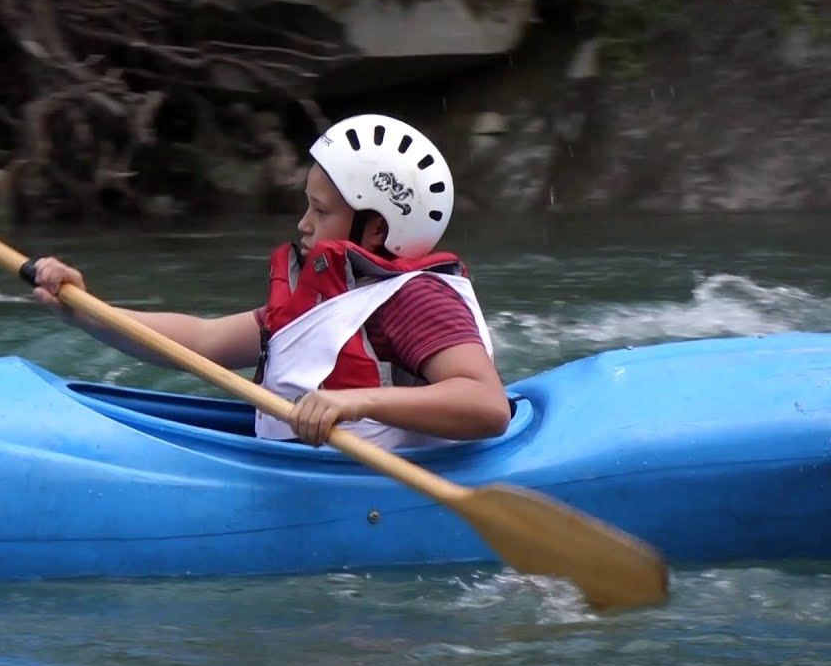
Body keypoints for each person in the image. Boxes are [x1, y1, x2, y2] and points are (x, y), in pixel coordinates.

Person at [30, 114, 510, 449]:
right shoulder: (327, 296)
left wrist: (356, 401)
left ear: (378, 229)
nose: (303, 224)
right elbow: (203, 340)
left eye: (320, 212)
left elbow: (487, 405)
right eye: (309, 205)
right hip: (302, 467)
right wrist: (85, 311)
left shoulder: (417, 300)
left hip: (367, 491)